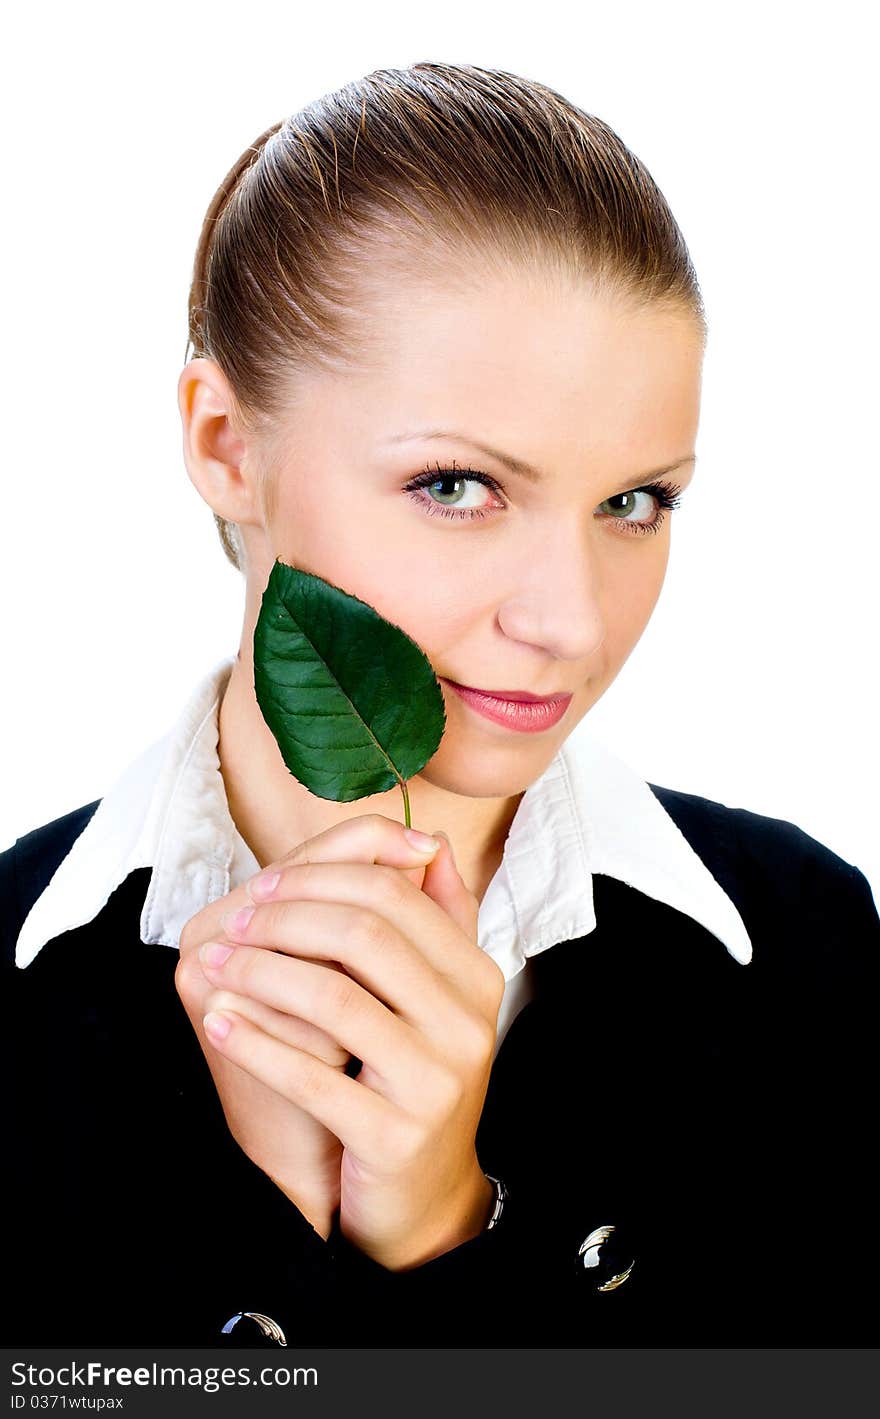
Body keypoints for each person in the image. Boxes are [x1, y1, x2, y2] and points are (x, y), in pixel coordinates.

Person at [3, 61, 877, 1350]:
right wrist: (267, 1241)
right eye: (460, 485)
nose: (572, 621)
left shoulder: (812, 962)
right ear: (226, 444)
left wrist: (444, 1234)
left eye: (636, 502)